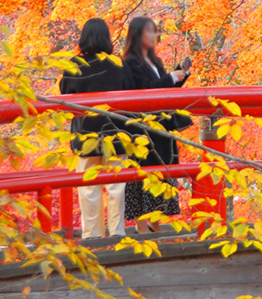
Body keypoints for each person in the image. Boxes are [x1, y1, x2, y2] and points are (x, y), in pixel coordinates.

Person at [59, 18, 134, 239]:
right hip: (117, 132)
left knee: (88, 187)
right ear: (107, 38)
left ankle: (92, 235)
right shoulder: (118, 63)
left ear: (84, 38)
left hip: (86, 133)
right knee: (116, 187)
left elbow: (65, 95)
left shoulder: (75, 64)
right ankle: (117, 232)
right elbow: (130, 93)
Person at [121, 16, 191, 234]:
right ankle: (142, 225)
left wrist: (180, 74)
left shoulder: (156, 62)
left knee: (163, 171)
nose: (153, 36)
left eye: (155, 31)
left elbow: (165, 91)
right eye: (149, 31)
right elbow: (144, 89)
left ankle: (156, 223)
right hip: (143, 128)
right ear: (137, 35)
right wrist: (171, 77)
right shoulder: (130, 62)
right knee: (145, 172)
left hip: (162, 127)